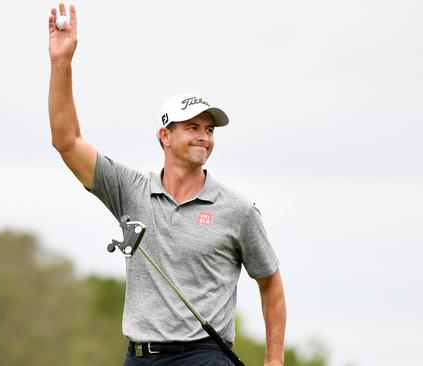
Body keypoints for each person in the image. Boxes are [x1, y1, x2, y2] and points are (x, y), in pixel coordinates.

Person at [47, 3, 286, 365]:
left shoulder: (238, 210)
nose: (203, 136)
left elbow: (270, 283)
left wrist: (274, 360)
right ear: (165, 135)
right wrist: (61, 63)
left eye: (208, 130)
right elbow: (66, 141)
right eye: (192, 127)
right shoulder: (130, 189)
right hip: (141, 355)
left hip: (205, 356)